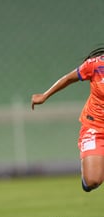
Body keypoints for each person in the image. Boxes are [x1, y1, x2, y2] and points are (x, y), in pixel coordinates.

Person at [31, 47, 104, 193]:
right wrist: (44, 96)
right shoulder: (96, 65)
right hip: (95, 127)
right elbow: (69, 78)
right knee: (92, 181)